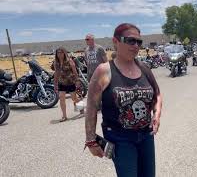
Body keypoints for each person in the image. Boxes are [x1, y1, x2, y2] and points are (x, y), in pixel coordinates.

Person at [85, 23, 162, 177]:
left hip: (146, 135)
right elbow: (92, 107)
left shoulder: (144, 68)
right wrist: (91, 140)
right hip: (120, 138)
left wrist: (157, 115)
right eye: (130, 41)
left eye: (138, 42)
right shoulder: (104, 71)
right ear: (116, 41)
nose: (135, 45)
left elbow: (157, 95)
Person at [53, 47, 83, 122]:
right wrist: (55, 84)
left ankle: (81, 107)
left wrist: (77, 81)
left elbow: (75, 71)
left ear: (64, 53)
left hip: (70, 82)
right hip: (61, 83)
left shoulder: (69, 60)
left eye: (61, 52)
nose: (60, 54)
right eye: (58, 53)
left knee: (74, 98)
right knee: (61, 98)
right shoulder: (56, 62)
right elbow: (56, 73)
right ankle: (64, 116)